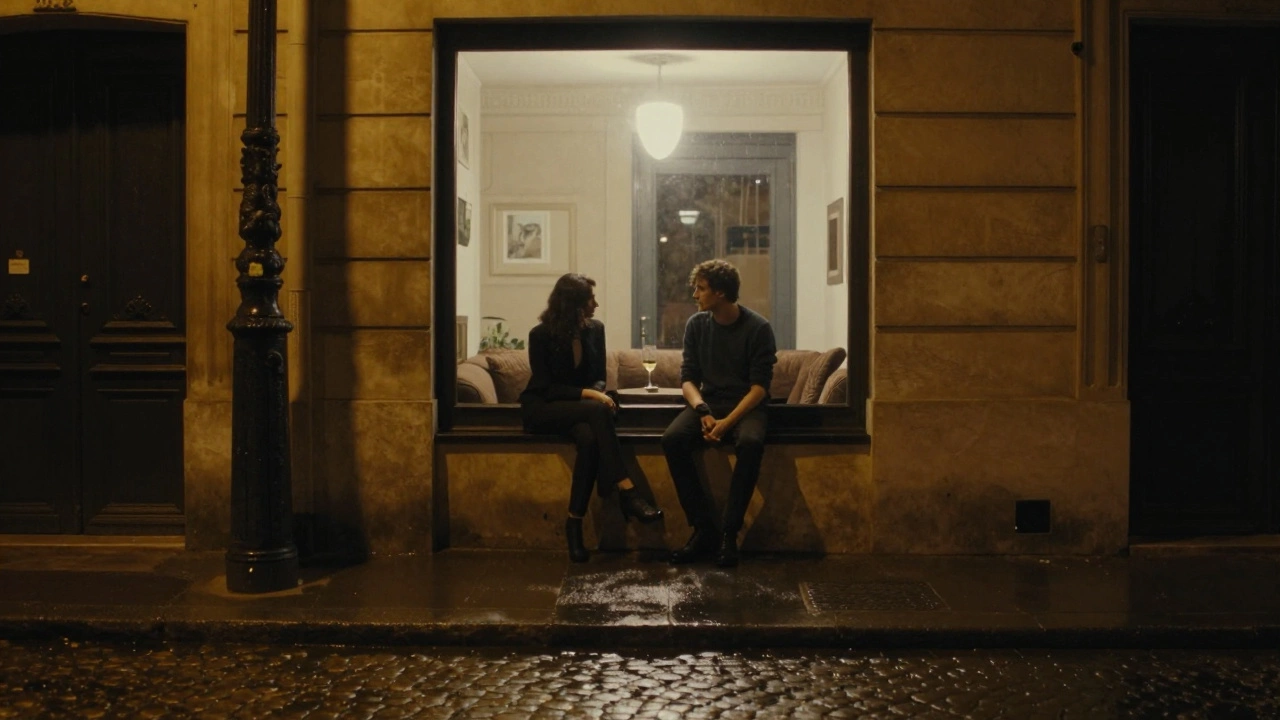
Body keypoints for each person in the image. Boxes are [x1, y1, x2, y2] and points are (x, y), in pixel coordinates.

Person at [520, 273, 663, 562]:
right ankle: (627, 490)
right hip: (544, 407)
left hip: (581, 410)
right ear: (573, 304)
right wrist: (593, 395)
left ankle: (574, 524)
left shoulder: (595, 329)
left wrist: (595, 392)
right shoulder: (541, 335)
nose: (595, 305)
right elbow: (547, 387)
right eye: (590, 300)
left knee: (588, 440)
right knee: (599, 409)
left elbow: (598, 376)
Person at [662, 259, 777, 568]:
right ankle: (703, 530)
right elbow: (687, 378)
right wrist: (702, 409)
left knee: (751, 443)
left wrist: (727, 423)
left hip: (746, 405)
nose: (695, 295)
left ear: (721, 293)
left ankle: (729, 533)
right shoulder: (697, 325)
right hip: (709, 402)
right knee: (672, 439)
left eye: (700, 289)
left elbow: (759, 389)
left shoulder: (758, 328)